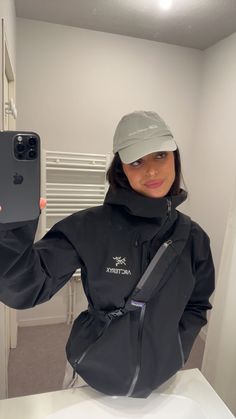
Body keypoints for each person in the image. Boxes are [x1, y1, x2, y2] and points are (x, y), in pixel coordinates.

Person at [0, 110, 215, 398]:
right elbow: (24, 290)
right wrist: (12, 232)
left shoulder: (194, 238)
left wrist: (175, 348)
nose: (151, 170)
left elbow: (197, 304)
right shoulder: (88, 227)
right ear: (121, 169)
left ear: (175, 157)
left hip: (162, 381)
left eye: (160, 155)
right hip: (91, 379)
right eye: (137, 160)